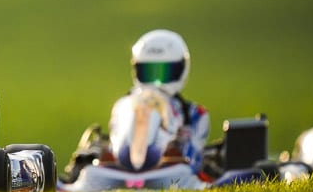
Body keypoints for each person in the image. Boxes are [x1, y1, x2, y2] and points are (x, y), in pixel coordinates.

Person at [63, 29, 210, 181]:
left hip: (174, 165)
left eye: (164, 72)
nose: (156, 82)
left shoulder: (192, 113)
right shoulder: (125, 104)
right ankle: (108, 160)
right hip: (121, 161)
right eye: (149, 72)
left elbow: (197, 149)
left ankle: (167, 156)